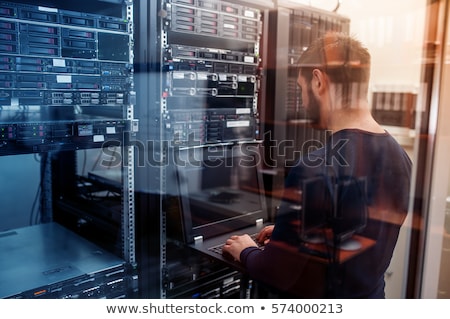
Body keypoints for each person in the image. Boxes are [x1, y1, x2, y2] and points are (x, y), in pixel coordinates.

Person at [222, 32, 412, 298]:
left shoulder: (314, 168)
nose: (302, 100)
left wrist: (246, 250)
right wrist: (289, 236)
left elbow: (279, 274)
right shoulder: (401, 157)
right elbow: (354, 232)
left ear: (318, 80)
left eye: (301, 89)